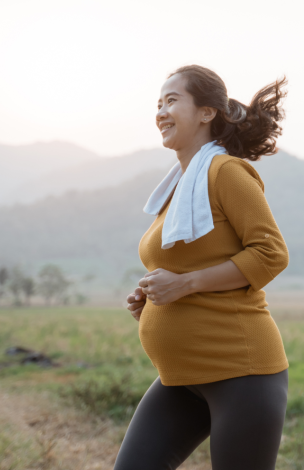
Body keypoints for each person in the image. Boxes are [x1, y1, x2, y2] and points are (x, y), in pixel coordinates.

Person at [116, 65, 290, 470]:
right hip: (181, 378)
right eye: (157, 104)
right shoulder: (179, 185)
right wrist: (155, 304)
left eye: (172, 101)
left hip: (241, 374)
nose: (160, 111)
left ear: (207, 112)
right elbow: (189, 265)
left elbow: (271, 253)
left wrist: (184, 286)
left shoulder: (224, 172)